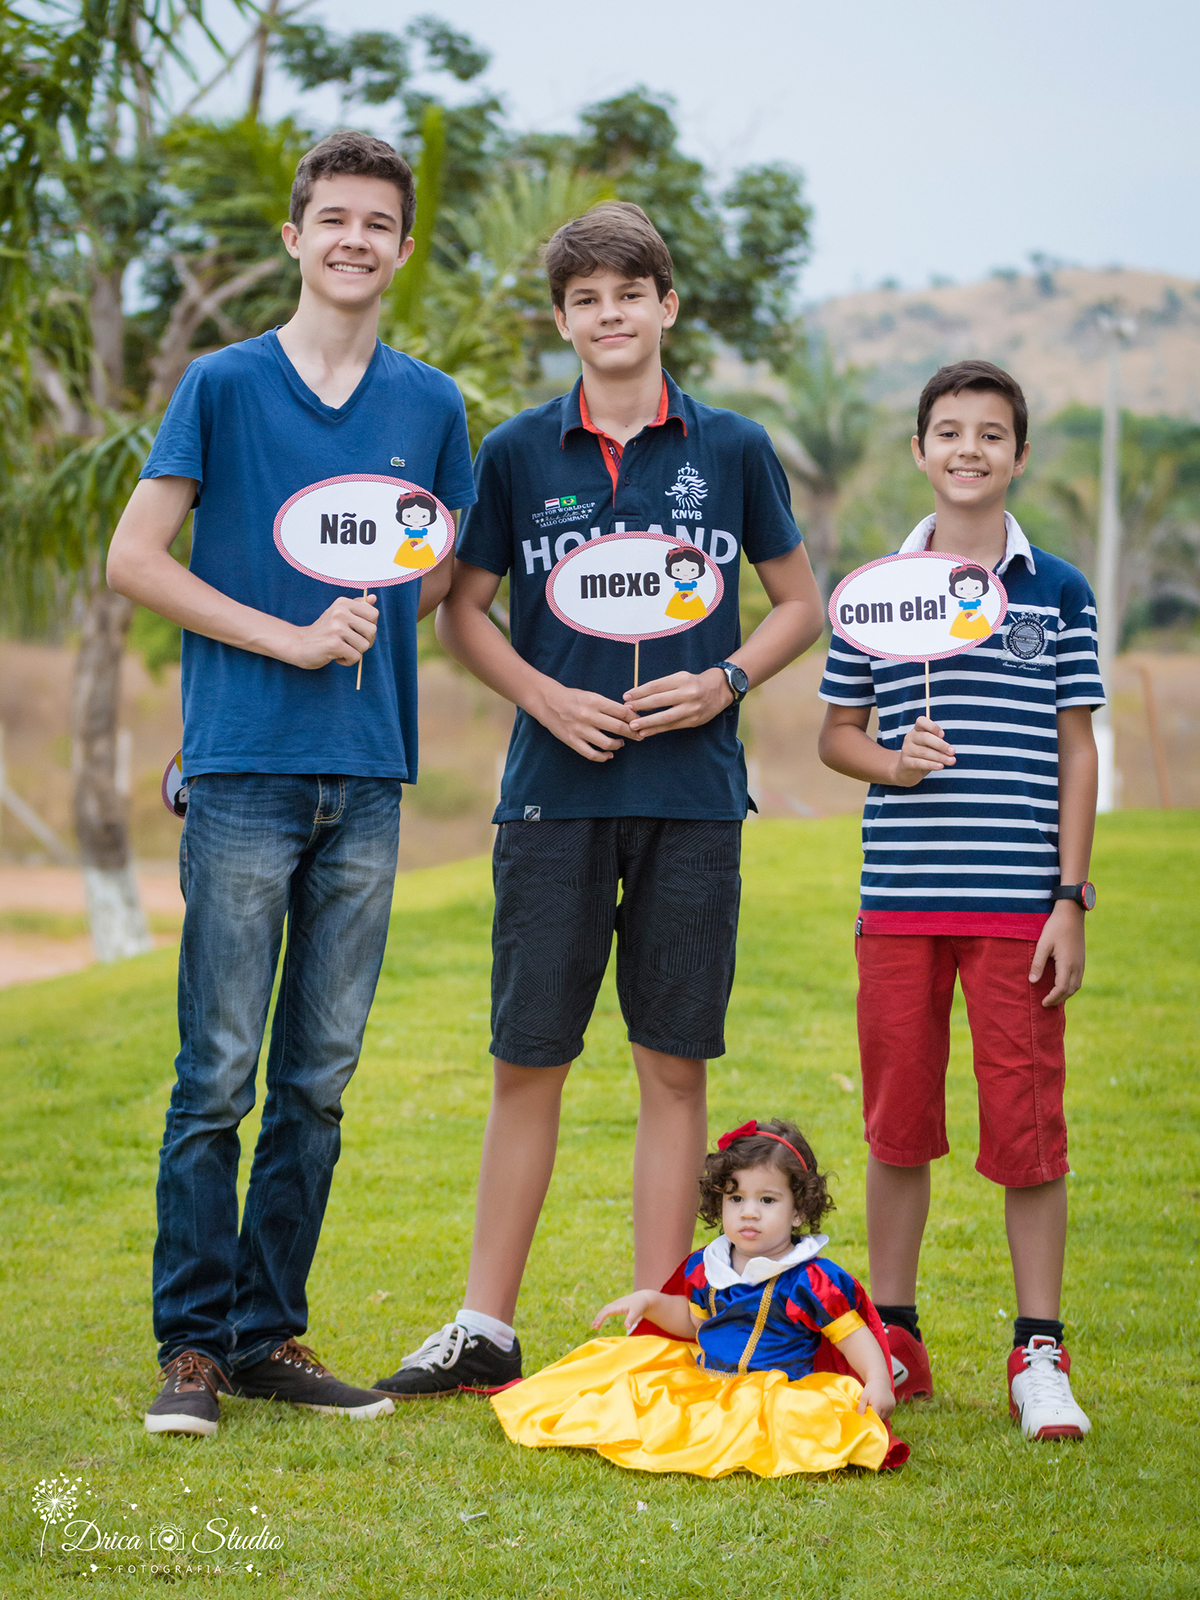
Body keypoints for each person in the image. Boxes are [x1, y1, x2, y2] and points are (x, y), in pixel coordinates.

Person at [373, 201, 824, 1398]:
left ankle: (659, 1328)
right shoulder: (519, 451)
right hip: (550, 802)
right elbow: (464, 610)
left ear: (666, 305)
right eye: (586, 299)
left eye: (630, 293)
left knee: (673, 1067)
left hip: (694, 798)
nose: (610, 314)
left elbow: (799, 604)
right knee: (528, 1059)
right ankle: (484, 1325)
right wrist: (543, 698)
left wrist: (725, 681)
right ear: (562, 320)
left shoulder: (733, 448)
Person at [106, 130, 476, 1437]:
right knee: (217, 1073)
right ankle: (193, 1349)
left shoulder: (430, 407)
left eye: (378, 223)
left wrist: (375, 605)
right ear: (295, 236)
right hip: (245, 772)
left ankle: (268, 1336)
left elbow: (439, 565)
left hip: (367, 778)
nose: (354, 239)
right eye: (334, 218)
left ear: (403, 248)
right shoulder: (223, 384)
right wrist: (286, 640)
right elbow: (136, 558)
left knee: (316, 1081)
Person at [817, 359, 1104, 1441]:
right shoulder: (874, 593)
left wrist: (1069, 897)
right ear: (919, 450)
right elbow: (836, 736)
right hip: (899, 901)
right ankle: (894, 1333)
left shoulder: (1057, 591)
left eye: (991, 433)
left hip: (1018, 909)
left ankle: (1040, 1351)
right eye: (949, 431)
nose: (969, 449)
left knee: (1028, 1128)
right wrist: (893, 763)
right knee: (897, 1126)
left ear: (1018, 456)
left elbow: (1077, 752)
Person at [491, 1119, 905, 1478]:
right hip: (707, 1379)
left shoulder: (810, 1279)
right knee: (630, 1392)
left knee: (800, 1428)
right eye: (736, 1198)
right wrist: (651, 1301)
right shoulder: (710, 1266)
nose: (749, 1212)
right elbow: (694, 1322)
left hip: (779, 1393)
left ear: (798, 1211)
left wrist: (878, 1381)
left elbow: (853, 1336)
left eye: (767, 1200)